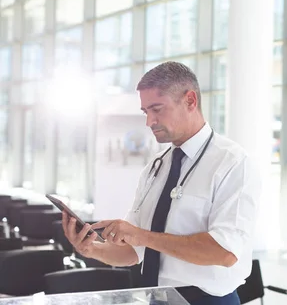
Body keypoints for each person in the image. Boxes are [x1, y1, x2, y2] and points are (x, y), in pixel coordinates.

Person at [62, 62, 261, 305]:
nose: (149, 122)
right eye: (146, 112)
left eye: (157, 109)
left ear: (190, 101)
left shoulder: (232, 163)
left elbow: (225, 252)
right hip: (158, 298)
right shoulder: (156, 167)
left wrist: (142, 236)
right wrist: (91, 249)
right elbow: (133, 251)